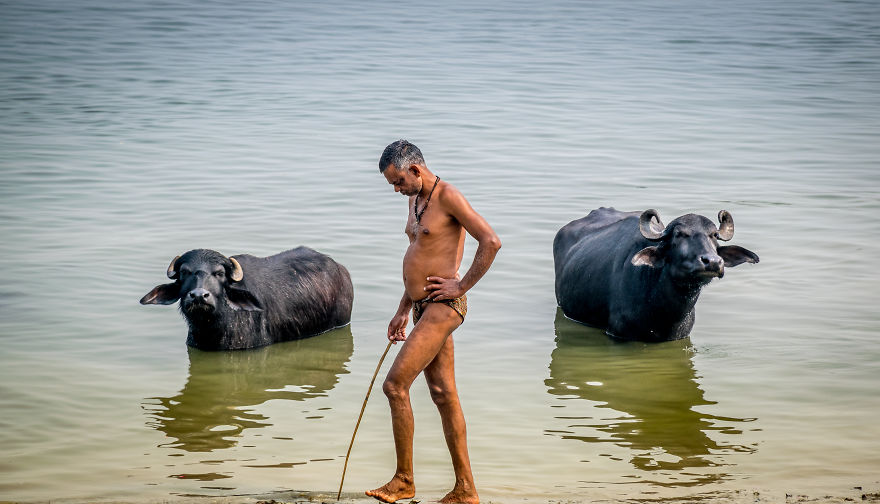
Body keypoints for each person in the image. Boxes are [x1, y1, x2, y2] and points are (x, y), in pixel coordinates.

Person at [366, 140, 501, 504]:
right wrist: (403, 309)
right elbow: (419, 256)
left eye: (398, 182)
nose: (396, 190)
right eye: (391, 185)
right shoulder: (415, 200)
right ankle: (466, 490)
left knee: (395, 386)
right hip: (421, 306)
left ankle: (404, 480)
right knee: (443, 395)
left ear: (415, 169)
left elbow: (491, 241)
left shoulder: (448, 196)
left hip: (445, 305)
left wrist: (462, 283)